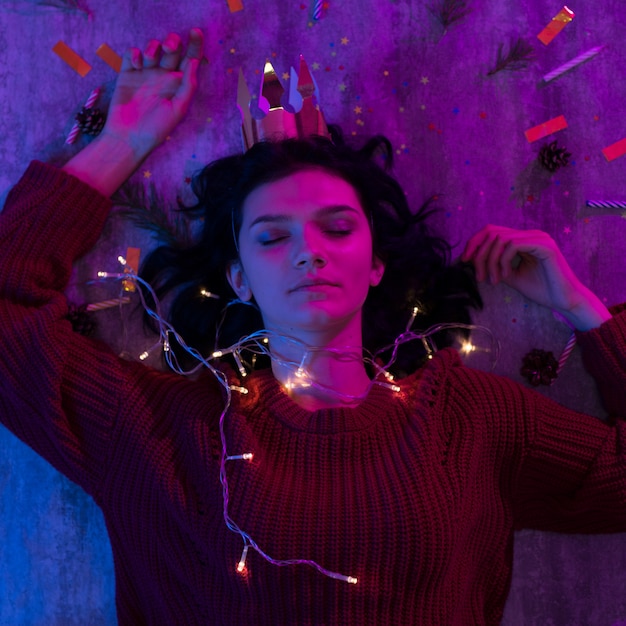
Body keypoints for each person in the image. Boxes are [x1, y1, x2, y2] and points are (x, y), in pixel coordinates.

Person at [0, 28, 625, 626]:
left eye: (337, 227)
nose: (309, 251)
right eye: (273, 237)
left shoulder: (469, 420)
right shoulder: (157, 430)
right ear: (239, 279)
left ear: (376, 264)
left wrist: (579, 307)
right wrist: (121, 143)